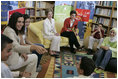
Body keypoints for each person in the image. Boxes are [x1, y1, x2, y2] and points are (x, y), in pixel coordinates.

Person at [3, 12, 47, 78]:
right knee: (34, 57)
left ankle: (26, 75)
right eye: (19, 22)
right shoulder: (9, 31)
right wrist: (33, 47)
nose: (21, 24)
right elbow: (16, 46)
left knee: (34, 56)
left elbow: (16, 45)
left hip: (14, 57)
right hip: (10, 61)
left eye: (22, 22)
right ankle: (27, 76)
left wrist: (21, 53)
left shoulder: (12, 29)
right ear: (13, 21)